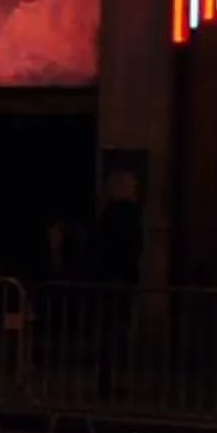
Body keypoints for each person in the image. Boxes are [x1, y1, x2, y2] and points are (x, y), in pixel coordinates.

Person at [90, 165, 143, 394]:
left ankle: (106, 380)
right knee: (115, 330)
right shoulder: (127, 215)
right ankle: (108, 381)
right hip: (119, 279)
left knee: (110, 331)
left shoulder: (111, 215)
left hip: (111, 278)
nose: (135, 188)